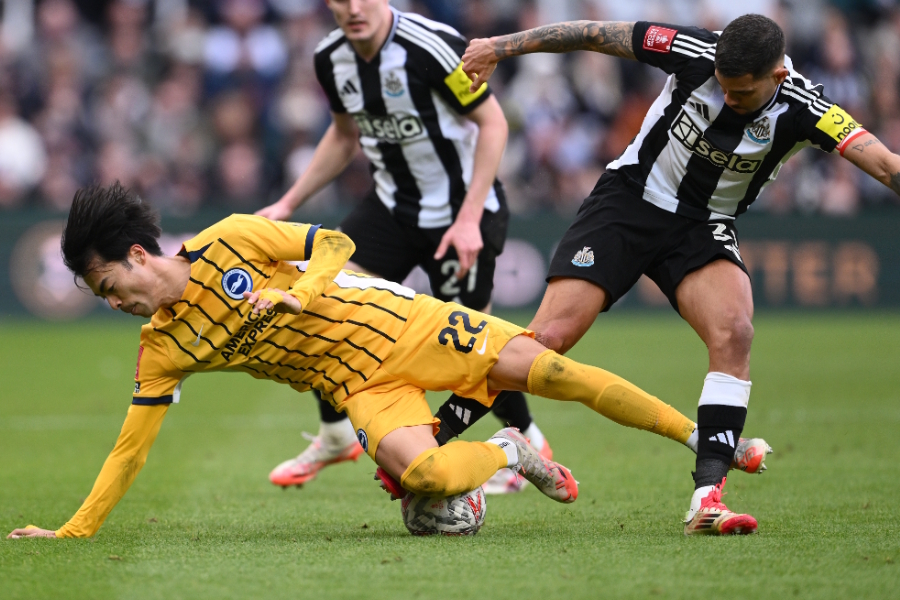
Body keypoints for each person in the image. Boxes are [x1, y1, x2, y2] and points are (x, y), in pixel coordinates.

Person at [8, 183, 713, 539]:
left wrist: (301, 294)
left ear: (137, 256)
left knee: (554, 372)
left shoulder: (230, 241)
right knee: (428, 473)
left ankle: (706, 442)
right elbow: (130, 450)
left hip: (407, 325)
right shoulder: (161, 349)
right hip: (357, 386)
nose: (114, 303)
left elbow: (336, 245)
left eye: (109, 288)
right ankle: (509, 452)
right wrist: (74, 530)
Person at [460, 14, 900, 535]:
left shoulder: (808, 109)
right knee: (546, 339)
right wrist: (499, 46)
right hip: (629, 204)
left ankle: (706, 499)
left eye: (741, 92)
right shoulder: (693, 50)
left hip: (702, 228)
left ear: (777, 77)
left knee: (734, 331)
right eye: (722, 84)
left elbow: (887, 166)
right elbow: (595, 34)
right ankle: (434, 435)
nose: (729, 96)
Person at [257, 0, 545, 494]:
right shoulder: (331, 58)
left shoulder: (430, 47)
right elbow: (345, 136)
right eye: (339, 0)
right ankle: (334, 435)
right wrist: (286, 202)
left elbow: (493, 124)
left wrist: (471, 217)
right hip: (391, 208)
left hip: (462, 210)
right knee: (319, 299)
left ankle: (529, 442)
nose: (352, 9)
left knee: (479, 345)